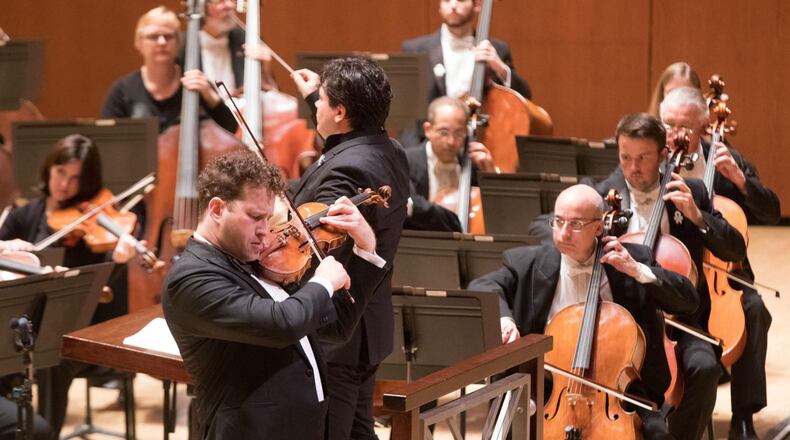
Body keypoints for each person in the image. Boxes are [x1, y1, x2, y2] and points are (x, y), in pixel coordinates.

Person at [163, 151, 386, 439]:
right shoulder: (191, 279)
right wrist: (322, 283)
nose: (265, 233)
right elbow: (281, 324)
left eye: (268, 219)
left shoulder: (257, 264)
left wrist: (365, 250)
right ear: (217, 209)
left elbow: (338, 325)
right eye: (255, 217)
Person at [469, 184, 698, 439]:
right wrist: (505, 319)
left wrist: (637, 271)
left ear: (599, 227)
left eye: (576, 224)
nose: (564, 232)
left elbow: (688, 301)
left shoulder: (631, 259)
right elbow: (484, 285)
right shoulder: (526, 262)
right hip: (546, 391)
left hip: (621, 394)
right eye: (558, 221)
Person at [592, 113, 746, 440]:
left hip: (679, 317)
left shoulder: (690, 192)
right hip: (619, 322)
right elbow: (549, 226)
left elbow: (734, 249)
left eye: (643, 158)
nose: (632, 167)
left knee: (704, 367)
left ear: (663, 155)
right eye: (625, 157)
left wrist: (697, 215)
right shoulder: (602, 196)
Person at [290, 57, 410, 440]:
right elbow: (342, 133)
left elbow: (316, 247)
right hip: (368, 327)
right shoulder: (389, 148)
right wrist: (315, 93)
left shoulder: (349, 171)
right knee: (359, 432)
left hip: (337, 334)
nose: (317, 109)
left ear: (341, 111)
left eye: (323, 102)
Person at [0, 134, 142, 439]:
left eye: (75, 178)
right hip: (17, 328)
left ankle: (43, 433)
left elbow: (102, 294)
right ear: (49, 169)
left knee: (53, 357)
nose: (64, 184)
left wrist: (117, 261)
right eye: (60, 172)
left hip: (70, 333)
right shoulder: (23, 216)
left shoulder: (94, 223)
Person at [659, 87, 779, 440]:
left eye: (685, 126)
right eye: (668, 124)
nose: (677, 134)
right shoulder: (652, 162)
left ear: (703, 127)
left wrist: (741, 180)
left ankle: (743, 416)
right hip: (673, 274)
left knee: (754, 310)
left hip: (725, 275)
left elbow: (771, 212)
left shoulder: (724, 160)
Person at [100, 6, 237, 134]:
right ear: (139, 43)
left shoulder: (197, 83)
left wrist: (211, 97)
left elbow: (231, 129)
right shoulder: (123, 90)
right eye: (153, 37)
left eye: (168, 36)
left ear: (179, 42)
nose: (161, 42)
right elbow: (107, 139)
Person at [402, 0, 532, 103]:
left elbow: (524, 98)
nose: (453, 5)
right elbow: (406, 104)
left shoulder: (498, 49)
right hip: (431, 135)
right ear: (440, 7)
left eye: (461, 0)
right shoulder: (415, 49)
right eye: (447, 0)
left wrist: (501, 68)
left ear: (477, 5)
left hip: (484, 133)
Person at [404, 96, 497, 232]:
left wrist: (491, 176)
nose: (451, 142)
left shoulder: (474, 165)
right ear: (428, 129)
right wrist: (451, 218)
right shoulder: (407, 161)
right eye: (444, 132)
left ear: (466, 132)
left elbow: (497, 211)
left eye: (459, 133)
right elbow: (410, 205)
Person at [193, 0, 276, 94]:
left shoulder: (245, 38)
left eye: (232, 0)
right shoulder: (183, 46)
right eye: (220, 1)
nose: (230, 5)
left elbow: (270, 97)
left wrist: (265, 72)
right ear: (201, 7)